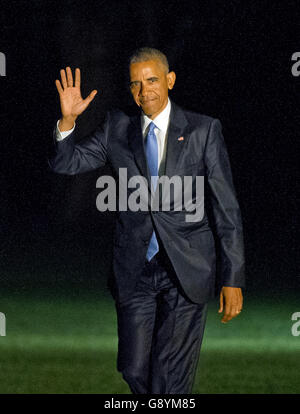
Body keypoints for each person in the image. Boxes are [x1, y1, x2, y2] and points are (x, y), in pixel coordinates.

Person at [48, 47, 245, 394]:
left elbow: (226, 210)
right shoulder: (116, 127)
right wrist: (67, 123)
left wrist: (233, 277)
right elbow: (68, 164)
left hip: (187, 269)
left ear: (169, 80)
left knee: (169, 379)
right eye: (136, 84)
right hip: (134, 270)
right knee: (134, 369)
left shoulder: (203, 130)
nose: (145, 90)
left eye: (152, 80)